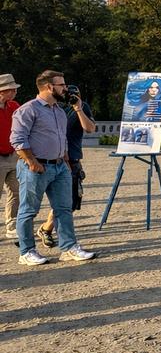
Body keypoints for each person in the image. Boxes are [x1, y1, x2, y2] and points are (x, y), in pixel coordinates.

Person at [10, 70, 95, 265]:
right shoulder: (28, 109)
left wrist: (65, 161)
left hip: (59, 167)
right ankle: (27, 252)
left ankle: (68, 248)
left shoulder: (58, 110)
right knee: (28, 210)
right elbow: (17, 139)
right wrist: (32, 162)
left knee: (64, 209)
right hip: (36, 167)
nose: (65, 89)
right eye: (62, 85)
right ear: (49, 87)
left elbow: (62, 139)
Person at [35, 84, 95, 249]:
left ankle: (47, 229)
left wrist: (78, 108)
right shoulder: (53, 108)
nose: (71, 97)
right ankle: (51, 235)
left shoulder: (82, 108)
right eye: (69, 93)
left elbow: (90, 129)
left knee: (69, 202)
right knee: (59, 202)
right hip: (52, 159)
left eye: (76, 95)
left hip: (72, 158)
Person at [1, 73, 22, 239]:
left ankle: (12, 225)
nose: (15, 91)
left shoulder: (14, 106)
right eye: (12, 89)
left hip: (13, 156)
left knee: (16, 192)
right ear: (2, 91)